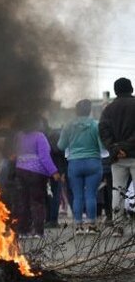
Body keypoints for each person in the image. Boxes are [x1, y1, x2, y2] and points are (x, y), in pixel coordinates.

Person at [58, 99, 104, 235]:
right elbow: (102, 146)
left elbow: (61, 145)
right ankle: (92, 226)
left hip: (75, 163)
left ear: (76, 111)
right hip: (93, 162)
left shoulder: (68, 125)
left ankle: (78, 226)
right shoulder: (96, 125)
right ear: (89, 110)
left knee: (77, 196)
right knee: (91, 195)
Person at [99, 77, 135, 237]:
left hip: (117, 159)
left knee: (117, 191)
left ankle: (118, 227)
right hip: (133, 154)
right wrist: (126, 148)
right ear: (131, 89)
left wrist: (115, 148)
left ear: (115, 91)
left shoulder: (108, 109)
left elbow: (103, 131)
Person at [14, 116, 60, 238]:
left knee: (23, 201)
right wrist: (54, 172)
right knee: (37, 202)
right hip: (36, 174)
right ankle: (38, 231)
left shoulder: (19, 136)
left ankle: (23, 230)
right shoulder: (39, 137)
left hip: (20, 171)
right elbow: (44, 157)